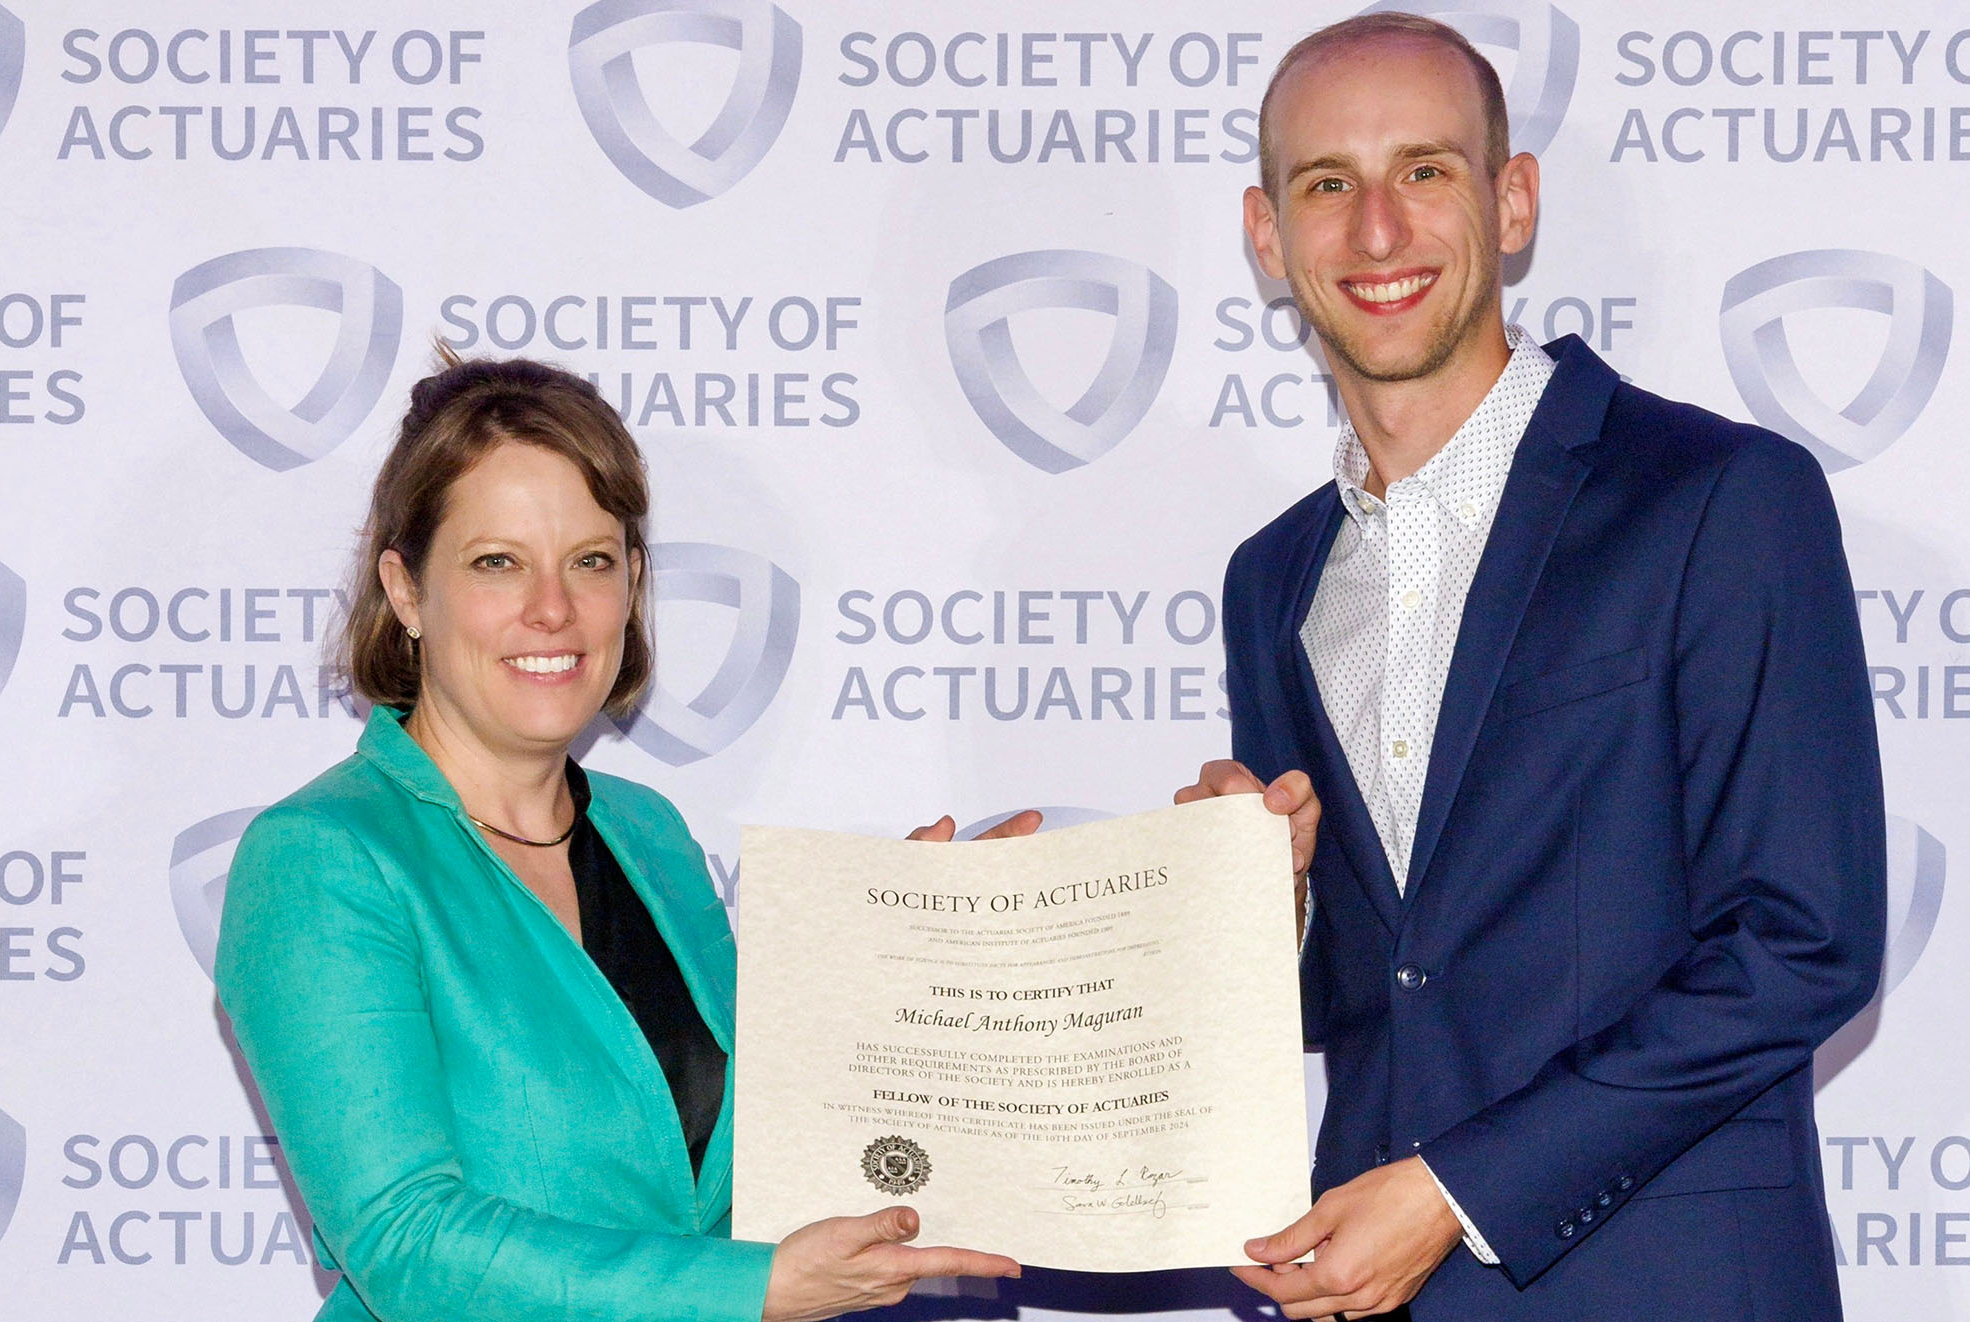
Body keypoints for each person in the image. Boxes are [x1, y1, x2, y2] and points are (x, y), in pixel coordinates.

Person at [1179, 14, 1885, 1319]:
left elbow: (1804, 941)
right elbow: (1373, 994)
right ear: (1268, 236)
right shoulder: (1271, 580)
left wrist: (1453, 1190)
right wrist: (1258, 909)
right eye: (1327, 184)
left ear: (1512, 203)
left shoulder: (1720, 497)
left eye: (1426, 172)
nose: (1377, 232)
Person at [215, 355, 1021, 1322]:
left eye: (591, 560)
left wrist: (904, 964)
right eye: (496, 562)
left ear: (634, 581)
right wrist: (754, 1290)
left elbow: (729, 1173)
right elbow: (405, 1243)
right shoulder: (321, 860)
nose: (552, 609)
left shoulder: (651, 834)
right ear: (406, 589)